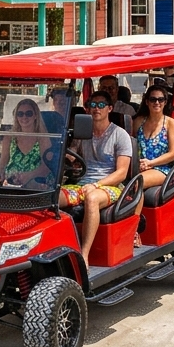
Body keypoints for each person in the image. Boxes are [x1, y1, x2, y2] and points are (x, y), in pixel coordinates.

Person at [59, 91, 132, 266]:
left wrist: (96, 185)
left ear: (109, 108)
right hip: (82, 183)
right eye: (92, 105)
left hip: (111, 186)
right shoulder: (83, 133)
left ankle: (84, 255)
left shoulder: (120, 135)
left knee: (91, 199)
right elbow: (72, 156)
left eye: (100, 105)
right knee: (53, 197)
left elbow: (121, 173)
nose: (96, 109)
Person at [132, 85, 174, 215]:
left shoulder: (171, 124)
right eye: (153, 99)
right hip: (139, 166)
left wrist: (150, 163)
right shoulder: (138, 121)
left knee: (137, 183)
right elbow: (131, 146)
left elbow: (173, 153)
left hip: (162, 168)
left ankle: (134, 228)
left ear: (165, 102)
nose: (157, 103)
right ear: (147, 102)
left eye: (161, 99)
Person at [0, 99, 53, 189]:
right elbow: (2, 164)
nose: (24, 117)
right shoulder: (9, 138)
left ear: (35, 116)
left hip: (38, 185)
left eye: (28, 113)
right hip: (11, 185)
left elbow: (47, 167)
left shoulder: (43, 138)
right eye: (20, 114)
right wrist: (1, 177)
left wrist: (29, 176)